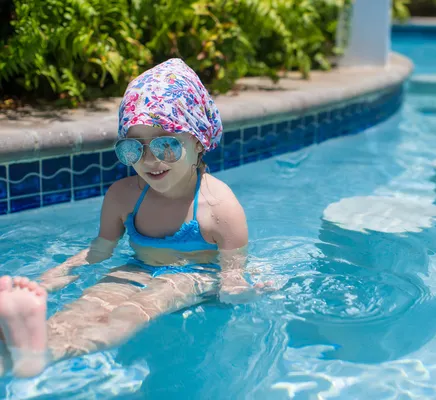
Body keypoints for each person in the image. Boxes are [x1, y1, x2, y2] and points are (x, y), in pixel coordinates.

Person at [0, 58, 269, 378]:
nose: (150, 159)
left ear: (198, 141)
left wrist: (237, 287)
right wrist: (53, 279)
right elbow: (100, 249)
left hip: (196, 273)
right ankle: (19, 351)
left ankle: (46, 355)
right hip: (138, 266)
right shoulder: (124, 196)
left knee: (137, 309)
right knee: (90, 303)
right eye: (134, 148)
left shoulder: (219, 207)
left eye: (166, 144)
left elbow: (233, 269)